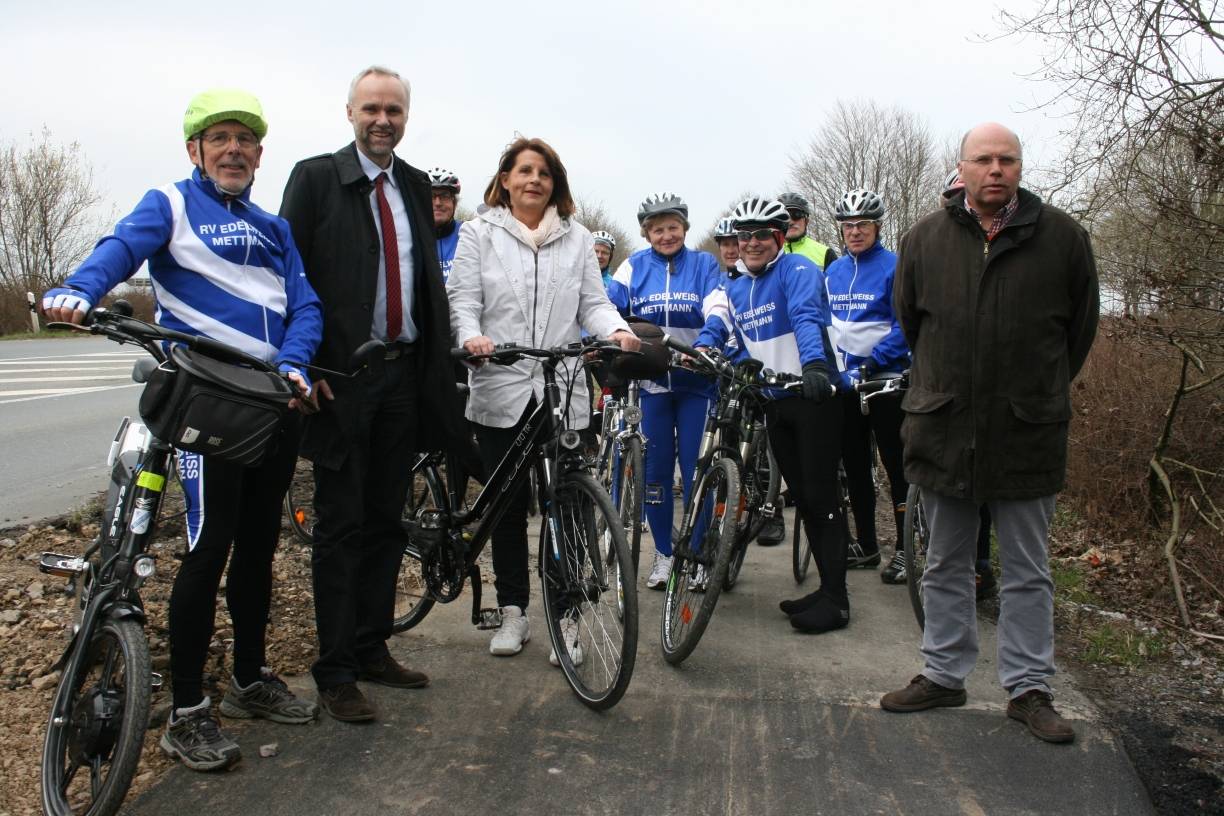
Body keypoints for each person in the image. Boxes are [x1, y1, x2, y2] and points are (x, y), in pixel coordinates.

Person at [42, 88, 322, 770]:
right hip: (208, 407)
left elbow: (305, 302)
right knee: (207, 550)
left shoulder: (274, 227)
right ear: (195, 149)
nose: (234, 149)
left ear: (260, 154)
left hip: (273, 404)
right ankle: (188, 711)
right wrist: (80, 288)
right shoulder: (168, 203)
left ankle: (249, 680)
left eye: (245, 140)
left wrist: (295, 363)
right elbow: (119, 247)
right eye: (219, 138)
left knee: (259, 551)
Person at [881, 123, 1099, 744]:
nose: (996, 169)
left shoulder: (1062, 238)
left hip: (1025, 430)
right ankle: (944, 674)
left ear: (1021, 168)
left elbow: (1077, 332)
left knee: (1028, 568)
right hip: (945, 427)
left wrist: (1036, 392)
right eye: (984, 159)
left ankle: (1029, 688)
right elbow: (913, 327)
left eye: (1007, 159)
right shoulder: (923, 239)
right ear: (963, 168)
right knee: (945, 561)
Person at [280, 66, 472, 723]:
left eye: (393, 108)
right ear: (350, 112)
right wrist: (299, 368)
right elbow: (289, 279)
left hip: (404, 378)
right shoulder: (314, 179)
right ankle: (334, 670)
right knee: (341, 525)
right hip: (341, 381)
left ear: (407, 116)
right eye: (371, 108)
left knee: (389, 520)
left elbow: (427, 284)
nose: (382, 118)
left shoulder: (415, 186)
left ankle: (371, 648)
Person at [447, 136, 638, 660]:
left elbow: (594, 304)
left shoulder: (576, 238)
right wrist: (472, 338)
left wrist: (616, 330)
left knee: (569, 503)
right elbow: (463, 300)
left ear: (556, 184)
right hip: (501, 381)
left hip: (563, 386)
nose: (534, 180)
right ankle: (514, 612)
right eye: (524, 170)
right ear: (505, 179)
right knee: (505, 505)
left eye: (545, 173)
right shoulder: (478, 233)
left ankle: (568, 616)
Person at [695, 197, 847, 632]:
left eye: (763, 235)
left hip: (814, 395)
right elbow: (738, 334)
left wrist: (816, 365)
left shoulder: (796, 270)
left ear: (779, 238)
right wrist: (736, 358)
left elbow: (805, 317)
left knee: (820, 498)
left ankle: (837, 601)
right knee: (803, 496)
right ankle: (826, 590)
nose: (753, 243)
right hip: (776, 400)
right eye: (745, 236)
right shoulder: (738, 285)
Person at [607, 192, 731, 590]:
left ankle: (696, 555)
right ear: (646, 232)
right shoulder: (632, 267)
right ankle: (663, 552)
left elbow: (718, 307)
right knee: (657, 476)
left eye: (673, 227)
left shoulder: (703, 265)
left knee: (697, 473)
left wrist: (707, 342)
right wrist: (606, 334)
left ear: (684, 229)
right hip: (652, 384)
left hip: (696, 382)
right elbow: (609, 306)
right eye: (658, 229)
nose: (666, 235)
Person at [824, 188, 911, 578]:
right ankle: (868, 544)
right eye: (848, 225)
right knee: (855, 466)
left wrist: (874, 360)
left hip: (886, 380)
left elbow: (906, 323)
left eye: (863, 225)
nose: (855, 232)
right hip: (846, 383)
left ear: (877, 227)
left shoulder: (896, 265)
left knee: (896, 467)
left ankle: (908, 550)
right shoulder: (835, 270)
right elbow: (827, 323)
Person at [778, 192, 838, 270]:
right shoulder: (767, 254)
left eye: (796, 215)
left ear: (806, 221)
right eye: (785, 217)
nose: (791, 222)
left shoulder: (826, 253)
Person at [429, 167, 463, 283]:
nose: (438, 203)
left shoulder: (469, 233)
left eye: (444, 196)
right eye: (431, 196)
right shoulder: (410, 237)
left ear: (454, 203)